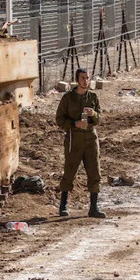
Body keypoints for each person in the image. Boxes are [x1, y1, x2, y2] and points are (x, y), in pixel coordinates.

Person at [54, 67, 106, 218]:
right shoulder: (68, 98)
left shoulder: (93, 97)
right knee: (70, 171)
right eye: (83, 78)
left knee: (94, 171)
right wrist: (74, 124)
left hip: (90, 138)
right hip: (74, 138)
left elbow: (99, 119)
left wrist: (93, 114)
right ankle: (63, 206)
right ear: (77, 80)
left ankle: (94, 207)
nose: (86, 81)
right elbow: (59, 119)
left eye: (88, 78)